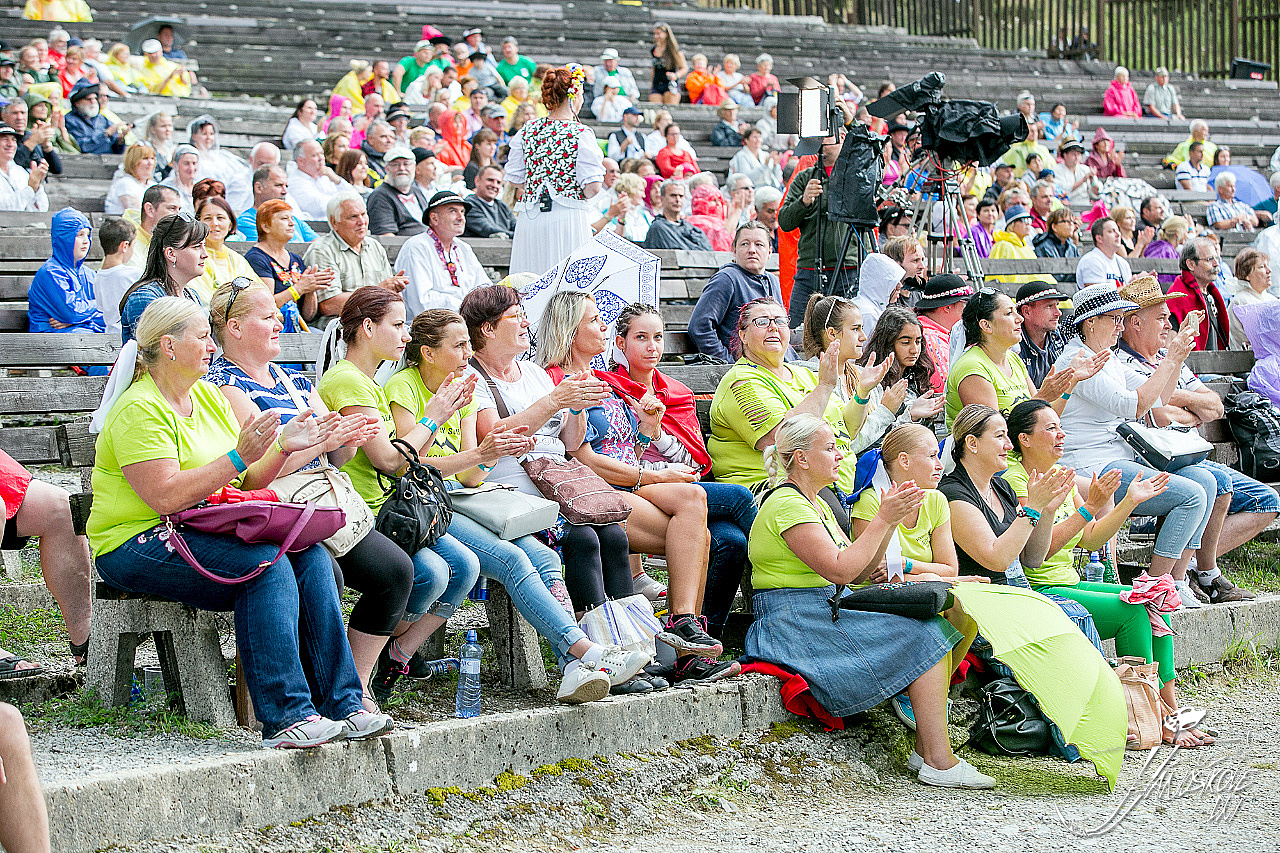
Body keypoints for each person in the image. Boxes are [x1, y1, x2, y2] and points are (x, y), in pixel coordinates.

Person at [91, 296, 392, 747]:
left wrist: (285, 446)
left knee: (310, 558)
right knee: (266, 566)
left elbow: (248, 481)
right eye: (202, 337)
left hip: (199, 527)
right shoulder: (139, 409)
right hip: (135, 542)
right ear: (169, 346)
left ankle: (344, 704)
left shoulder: (207, 396)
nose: (212, 346)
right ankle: (286, 716)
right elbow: (165, 497)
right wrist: (238, 455)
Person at [383, 307, 647, 701]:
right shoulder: (404, 387)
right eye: (459, 346)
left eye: (468, 345)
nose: (468, 353)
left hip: (464, 497)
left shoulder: (463, 388)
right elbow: (411, 466)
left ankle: (573, 666)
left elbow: (471, 476)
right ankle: (588, 653)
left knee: (545, 558)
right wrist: (463, 440)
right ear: (428, 353)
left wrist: (491, 453)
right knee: (512, 560)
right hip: (424, 502)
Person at [747, 414, 992, 787]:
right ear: (802, 458)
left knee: (933, 627)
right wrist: (883, 518)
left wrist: (889, 522)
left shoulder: (816, 504)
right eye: (830, 448)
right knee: (924, 635)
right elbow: (841, 571)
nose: (840, 456)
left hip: (824, 609)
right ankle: (938, 760)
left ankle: (927, 752)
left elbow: (860, 573)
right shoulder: (787, 505)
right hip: (795, 622)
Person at [205, 280, 413, 709]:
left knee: (396, 572)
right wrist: (320, 440)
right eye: (267, 317)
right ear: (235, 328)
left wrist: (347, 438)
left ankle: (355, 684)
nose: (279, 323)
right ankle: (319, 691)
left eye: (275, 315)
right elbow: (253, 474)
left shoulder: (291, 377)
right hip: (276, 508)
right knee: (325, 575)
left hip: (320, 499)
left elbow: (336, 454)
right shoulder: (225, 386)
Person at [543, 293, 739, 683]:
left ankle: (683, 626)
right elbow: (580, 456)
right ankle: (685, 646)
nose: (603, 325)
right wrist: (652, 476)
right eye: (594, 320)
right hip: (590, 493)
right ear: (569, 330)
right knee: (700, 533)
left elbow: (624, 450)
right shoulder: (556, 380)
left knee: (694, 501)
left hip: (624, 480)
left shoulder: (601, 380)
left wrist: (647, 430)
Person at [1000, 400, 1212, 744]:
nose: (1061, 434)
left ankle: (1170, 712)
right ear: (1024, 439)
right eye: (1051, 428)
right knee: (1132, 611)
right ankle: (1148, 713)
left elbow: (1091, 538)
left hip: (1069, 582)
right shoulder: (1017, 480)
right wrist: (1089, 508)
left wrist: (1129, 502)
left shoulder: (1060, 474)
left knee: (1155, 598)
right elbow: (1038, 553)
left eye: (1061, 426)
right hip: (1040, 591)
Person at [315, 285, 486, 707]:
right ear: (367, 328)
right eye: (397, 324)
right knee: (430, 573)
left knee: (465, 566)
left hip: (392, 507)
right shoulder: (348, 381)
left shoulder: (368, 381)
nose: (406, 335)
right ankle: (358, 673)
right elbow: (390, 461)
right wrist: (435, 416)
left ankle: (390, 657)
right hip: (366, 512)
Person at [460, 284, 635, 621]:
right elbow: (493, 434)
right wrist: (555, 400)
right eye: (516, 316)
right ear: (488, 329)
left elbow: (570, 443)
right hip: (514, 493)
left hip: (559, 484)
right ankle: (592, 636)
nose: (526, 323)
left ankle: (629, 635)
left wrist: (576, 405)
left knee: (614, 535)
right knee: (582, 538)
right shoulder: (472, 377)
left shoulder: (534, 373)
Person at [1053, 283, 1218, 601]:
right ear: (1091, 322)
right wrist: (1171, 358)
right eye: (1115, 318)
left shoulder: (1107, 357)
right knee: (1192, 495)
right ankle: (1155, 587)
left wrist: (1177, 357)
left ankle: (1176, 580)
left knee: (1206, 481)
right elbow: (1138, 406)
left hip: (1118, 458)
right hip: (1091, 463)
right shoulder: (1078, 359)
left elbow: (1160, 397)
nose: (1121, 326)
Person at [604, 303, 757, 637]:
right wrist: (658, 463)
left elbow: (694, 463)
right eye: (641, 337)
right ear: (620, 343)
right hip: (638, 486)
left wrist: (659, 432)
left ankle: (704, 637)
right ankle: (781, 568)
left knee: (730, 541)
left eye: (658, 337)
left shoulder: (677, 393)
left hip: (680, 488)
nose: (652, 346)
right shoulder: (610, 389)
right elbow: (618, 457)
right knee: (739, 498)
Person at [1116, 276, 1268, 601]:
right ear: (1135, 322)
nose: (1168, 324)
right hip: (1155, 459)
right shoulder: (1122, 363)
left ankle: (1194, 572)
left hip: (1190, 452)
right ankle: (1189, 577)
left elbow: (1215, 406)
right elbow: (1159, 415)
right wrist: (1189, 409)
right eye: (1161, 317)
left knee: (1266, 501)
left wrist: (1180, 399)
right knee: (1212, 484)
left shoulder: (1166, 358)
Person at [709, 297, 872, 519]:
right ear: (743, 335)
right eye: (762, 322)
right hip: (771, 488)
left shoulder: (803, 374)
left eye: (780, 321)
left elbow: (845, 430)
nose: (773, 327)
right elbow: (783, 438)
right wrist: (824, 387)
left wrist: (862, 392)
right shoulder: (741, 382)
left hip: (833, 485)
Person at [944, 288, 1102, 429]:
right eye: (1009, 313)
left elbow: (1045, 419)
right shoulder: (972, 368)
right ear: (986, 325)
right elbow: (993, 433)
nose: (1019, 318)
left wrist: (1071, 381)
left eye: (1016, 311)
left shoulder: (1013, 358)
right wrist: (1042, 397)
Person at [504, 65, 604, 276]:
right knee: (567, 282)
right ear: (574, 95)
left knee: (530, 278)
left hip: (531, 217)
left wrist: (539, 184)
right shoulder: (580, 133)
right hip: (568, 216)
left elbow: (514, 177)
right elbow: (593, 187)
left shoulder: (528, 129)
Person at [848, 305, 945, 450]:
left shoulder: (916, 376)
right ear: (888, 343)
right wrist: (910, 415)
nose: (914, 350)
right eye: (905, 342)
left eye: (918, 342)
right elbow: (868, 441)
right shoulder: (871, 382)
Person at [687, 223, 782, 362]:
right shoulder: (726, 279)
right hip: (745, 367)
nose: (752, 250)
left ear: (769, 251)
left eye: (759, 244)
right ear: (734, 249)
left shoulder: (772, 280)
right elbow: (700, 327)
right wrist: (728, 362)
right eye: (745, 244)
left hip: (777, 362)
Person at [305, 192, 407, 318]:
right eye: (353, 217)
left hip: (378, 321)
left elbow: (387, 292)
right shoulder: (322, 250)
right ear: (334, 222)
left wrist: (394, 288)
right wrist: (377, 291)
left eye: (363, 214)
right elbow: (328, 305)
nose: (362, 222)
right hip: (341, 324)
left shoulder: (374, 246)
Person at [397, 190, 490, 318]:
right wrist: (467, 307)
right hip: (430, 325)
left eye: (462, 212)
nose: (460, 217)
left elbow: (484, 287)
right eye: (453, 211)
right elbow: (420, 303)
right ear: (434, 218)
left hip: (466, 320)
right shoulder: (417, 247)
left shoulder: (464, 248)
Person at [118, 213, 208, 342]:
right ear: (171, 254)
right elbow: (155, 351)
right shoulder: (144, 299)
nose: (205, 254)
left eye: (204, 246)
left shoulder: (192, 295)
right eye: (197, 247)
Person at [28, 206, 104, 334]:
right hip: (50, 338)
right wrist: (99, 305)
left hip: (81, 332)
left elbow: (109, 314)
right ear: (65, 238)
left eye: (88, 235)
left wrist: (79, 320)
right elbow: (71, 313)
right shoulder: (50, 273)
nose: (86, 241)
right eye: (80, 235)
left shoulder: (89, 274)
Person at [1167, 236, 1230, 351]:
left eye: (1216, 258)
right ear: (1191, 264)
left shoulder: (1211, 293)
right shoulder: (1178, 296)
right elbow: (1169, 345)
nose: (1216, 264)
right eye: (1209, 259)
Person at [914, 274, 974, 395]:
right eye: (964, 304)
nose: (967, 311)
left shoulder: (930, 331)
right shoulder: (931, 337)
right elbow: (947, 387)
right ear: (947, 307)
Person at [187, 115, 253, 213]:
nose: (209, 138)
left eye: (211, 134)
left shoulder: (222, 157)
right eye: (204, 134)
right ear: (194, 136)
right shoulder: (192, 158)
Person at [363, 147, 427, 238]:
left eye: (406, 164)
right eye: (395, 165)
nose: (401, 168)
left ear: (414, 167)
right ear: (386, 168)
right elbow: (386, 237)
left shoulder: (416, 191)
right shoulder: (380, 196)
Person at [1015, 281, 1070, 388]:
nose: (1058, 313)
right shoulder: (1011, 345)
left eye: (1057, 305)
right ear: (1026, 312)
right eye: (1049, 306)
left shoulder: (1062, 336)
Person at [95, 217, 140, 338]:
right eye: (133, 245)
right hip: (130, 336)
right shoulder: (134, 275)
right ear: (124, 246)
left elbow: (100, 309)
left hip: (110, 335)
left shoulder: (97, 277)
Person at [987, 205, 1053, 286]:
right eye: (1024, 220)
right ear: (1012, 225)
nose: (1028, 223)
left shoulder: (1027, 248)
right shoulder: (1003, 246)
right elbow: (1002, 279)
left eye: (1029, 220)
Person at [637, 179, 709, 252]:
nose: (678, 200)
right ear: (662, 199)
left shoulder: (691, 229)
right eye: (673, 195)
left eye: (681, 196)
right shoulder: (658, 228)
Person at [1227, 248, 1274, 349]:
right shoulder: (1240, 302)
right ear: (1247, 275)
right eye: (1262, 267)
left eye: (1267, 265)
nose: (1269, 270)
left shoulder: (1272, 299)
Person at [64, 80, 128, 154]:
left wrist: (120, 140)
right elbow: (82, 147)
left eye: (95, 98)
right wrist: (105, 134)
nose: (93, 102)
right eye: (89, 99)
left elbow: (116, 150)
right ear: (77, 103)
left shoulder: (102, 119)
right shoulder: (70, 121)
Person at [3, 98, 61, 176]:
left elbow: (57, 169)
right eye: (15, 113)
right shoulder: (2, 139)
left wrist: (46, 145)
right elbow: (12, 163)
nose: (20, 117)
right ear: (4, 116)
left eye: (23, 113)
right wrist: (33, 141)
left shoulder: (30, 135)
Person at [1075, 217, 1133, 289]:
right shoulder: (1091, 260)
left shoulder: (1123, 263)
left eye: (1118, 230)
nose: (1118, 234)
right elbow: (1097, 294)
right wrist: (1127, 288)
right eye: (1111, 231)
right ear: (1099, 238)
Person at [0, 125, 48, 212]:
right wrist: (31, 189)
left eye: (14, 140)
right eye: (5, 139)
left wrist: (37, 185)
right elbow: (5, 209)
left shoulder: (20, 171)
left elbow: (42, 208)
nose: (11, 144)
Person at [464, 164, 516, 239]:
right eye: (490, 180)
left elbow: (516, 227)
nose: (494, 185)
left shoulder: (503, 207)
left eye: (498, 182)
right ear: (477, 181)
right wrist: (517, 236)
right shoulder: (469, 205)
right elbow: (488, 229)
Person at [648, 23, 687, 105]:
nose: (656, 36)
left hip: (670, 84)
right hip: (657, 84)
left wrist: (676, 75)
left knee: (670, 108)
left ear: (666, 34)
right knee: (656, 109)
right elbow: (653, 69)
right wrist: (651, 85)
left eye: (658, 33)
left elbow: (684, 68)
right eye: (655, 34)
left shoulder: (674, 51)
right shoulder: (653, 50)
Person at [1143, 216, 1189, 287]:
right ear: (1177, 233)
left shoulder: (1168, 248)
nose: (1187, 235)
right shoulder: (1165, 250)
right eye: (1186, 232)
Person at [1053, 137, 1096, 206]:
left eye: (1079, 154)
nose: (1077, 157)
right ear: (1065, 155)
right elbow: (1063, 189)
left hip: (1085, 203)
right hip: (1066, 205)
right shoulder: (1057, 170)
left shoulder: (1085, 169)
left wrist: (1092, 181)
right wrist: (1082, 180)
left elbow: (1096, 193)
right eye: (1073, 154)